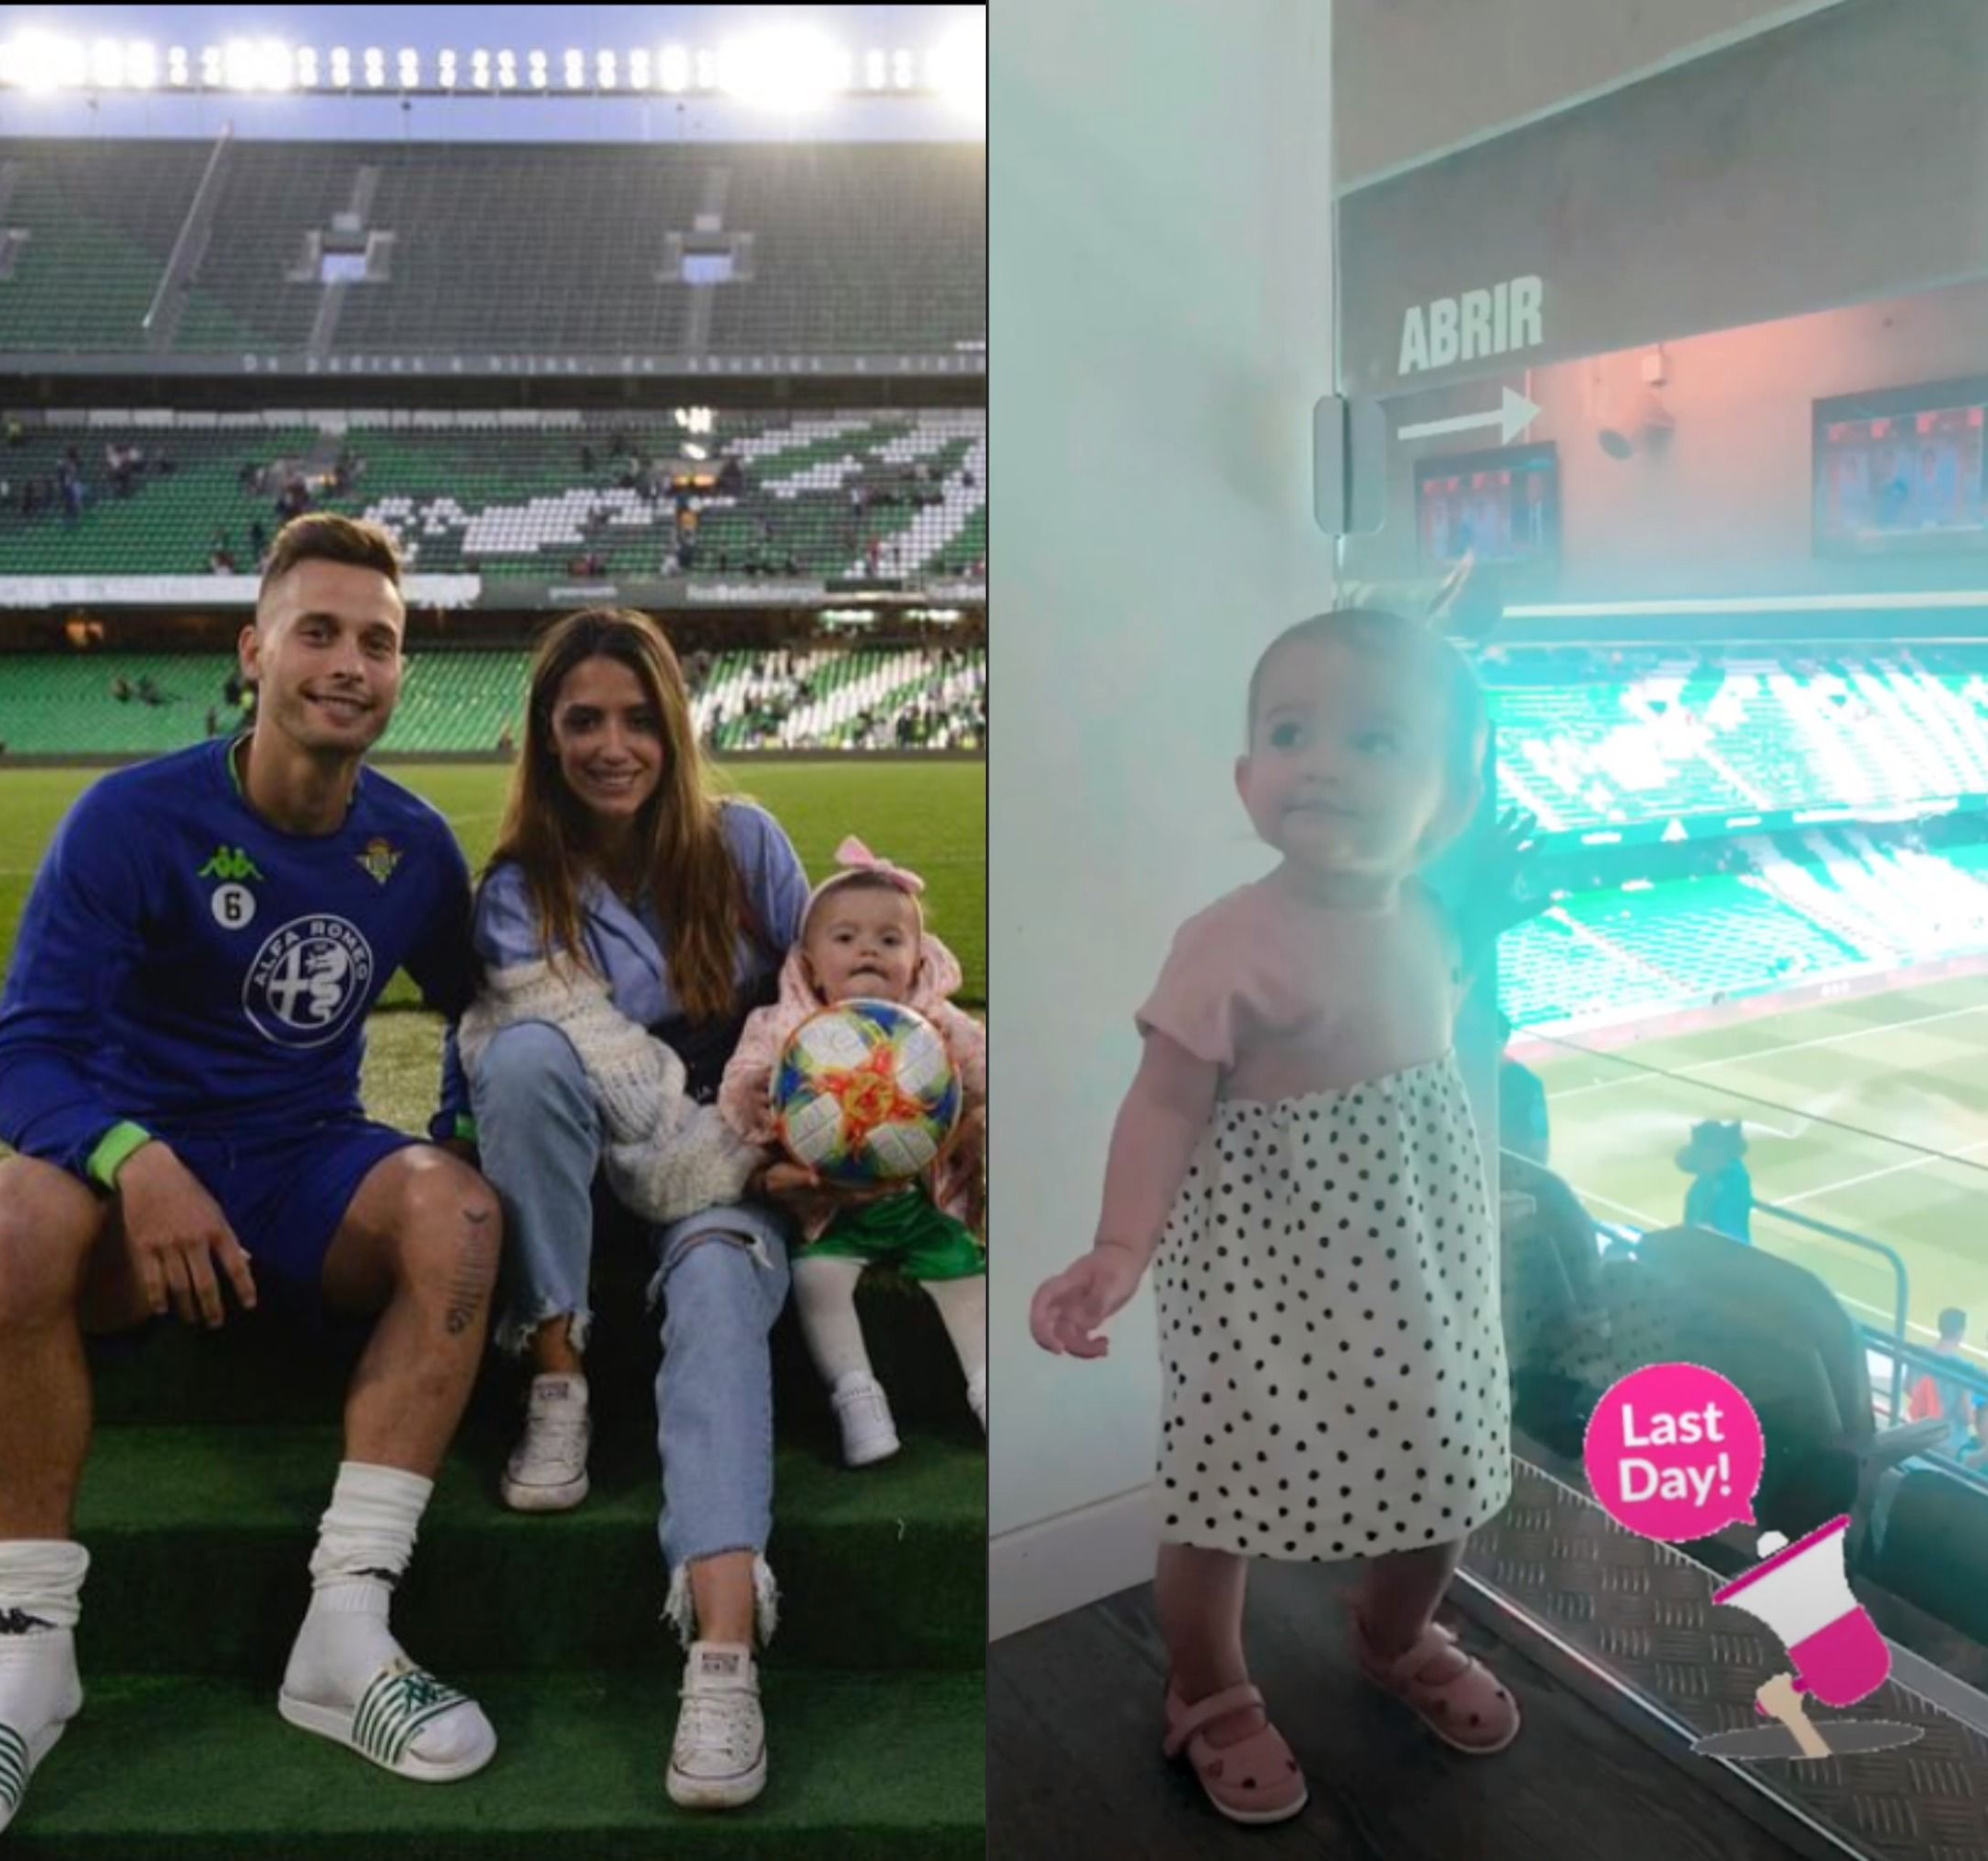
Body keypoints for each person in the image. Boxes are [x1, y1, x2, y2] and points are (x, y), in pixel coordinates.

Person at [0, 515, 501, 1843]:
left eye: (377, 642)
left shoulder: (415, 846)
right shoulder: (130, 819)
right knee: (13, 1216)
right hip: (131, 1190)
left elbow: (485, 1016)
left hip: (300, 1177)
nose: (348, 663)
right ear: (252, 650)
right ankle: (30, 1651)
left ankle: (347, 1629)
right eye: (318, 632)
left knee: (458, 1208)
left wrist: (456, 1119)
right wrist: (133, 1157)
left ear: (400, 674)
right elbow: (23, 1058)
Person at [1028, 607, 1518, 1825]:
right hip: (1262, 1274)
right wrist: (1119, 1246)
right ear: (1249, 777)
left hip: (1417, 1265)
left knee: (1446, 1458)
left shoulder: (1434, 920)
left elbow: (1442, 1066)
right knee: (1222, 1489)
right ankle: (1207, 1683)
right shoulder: (1226, 945)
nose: (1323, 762)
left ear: (1447, 801)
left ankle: (1394, 1629)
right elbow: (1161, 1105)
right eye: (1291, 733)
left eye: (1375, 740)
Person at [454, 609, 841, 1810]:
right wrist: (733, 1165)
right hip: (618, 1160)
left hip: (729, 1155)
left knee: (723, 1280)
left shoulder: (750, 844)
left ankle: (722, 1652)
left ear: (673, 728)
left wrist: (810, 1147)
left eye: (635, 719)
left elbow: (816, 1015)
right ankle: (556, 1373)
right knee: (519, 1059)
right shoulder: (520, 886)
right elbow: (603, 1071)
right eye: (583, 721)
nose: (611, 745)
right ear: (547, 736)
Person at [719, 837, 985, 1463]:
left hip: (920, 1206)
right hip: (829, 1213)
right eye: (844, 939)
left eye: (890, 940)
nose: (868, 949)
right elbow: (742, 1079)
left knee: (964, 1274)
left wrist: (978, 1114)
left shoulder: (937, 1025)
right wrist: (753, 1099)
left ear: (918, 960)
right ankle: (856, 1396)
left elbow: (987, 1070)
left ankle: (987, 1382)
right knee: (815, 1281)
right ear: (810, 964)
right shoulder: (783, 1028)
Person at [1905, 1307, 1982, 1459]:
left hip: (1919, 1431)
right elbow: (1965, 1416)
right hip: (1949, 1443)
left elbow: (1908, 1388)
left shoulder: (1920, 1352)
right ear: (1960, 1333)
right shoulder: (1964, 1368)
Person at [1676, 1120, 1754, 1244]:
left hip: (1726, 1251)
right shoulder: (1704, 1180)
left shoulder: (1733, 1179)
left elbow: (1726, 1228)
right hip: (1703, 1247)